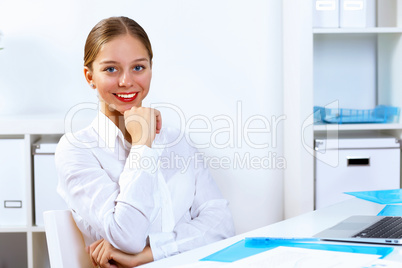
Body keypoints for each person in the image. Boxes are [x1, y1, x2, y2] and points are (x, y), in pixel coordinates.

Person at [55, 16, 235, 268]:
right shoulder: (76, 149)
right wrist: (142, 144)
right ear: (89, 76)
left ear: (151, 68)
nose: (126, 81)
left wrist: (149, 253)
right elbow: (128, 237)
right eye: (110, 69)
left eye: (138, 67)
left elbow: (222, 225)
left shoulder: (176, 140)